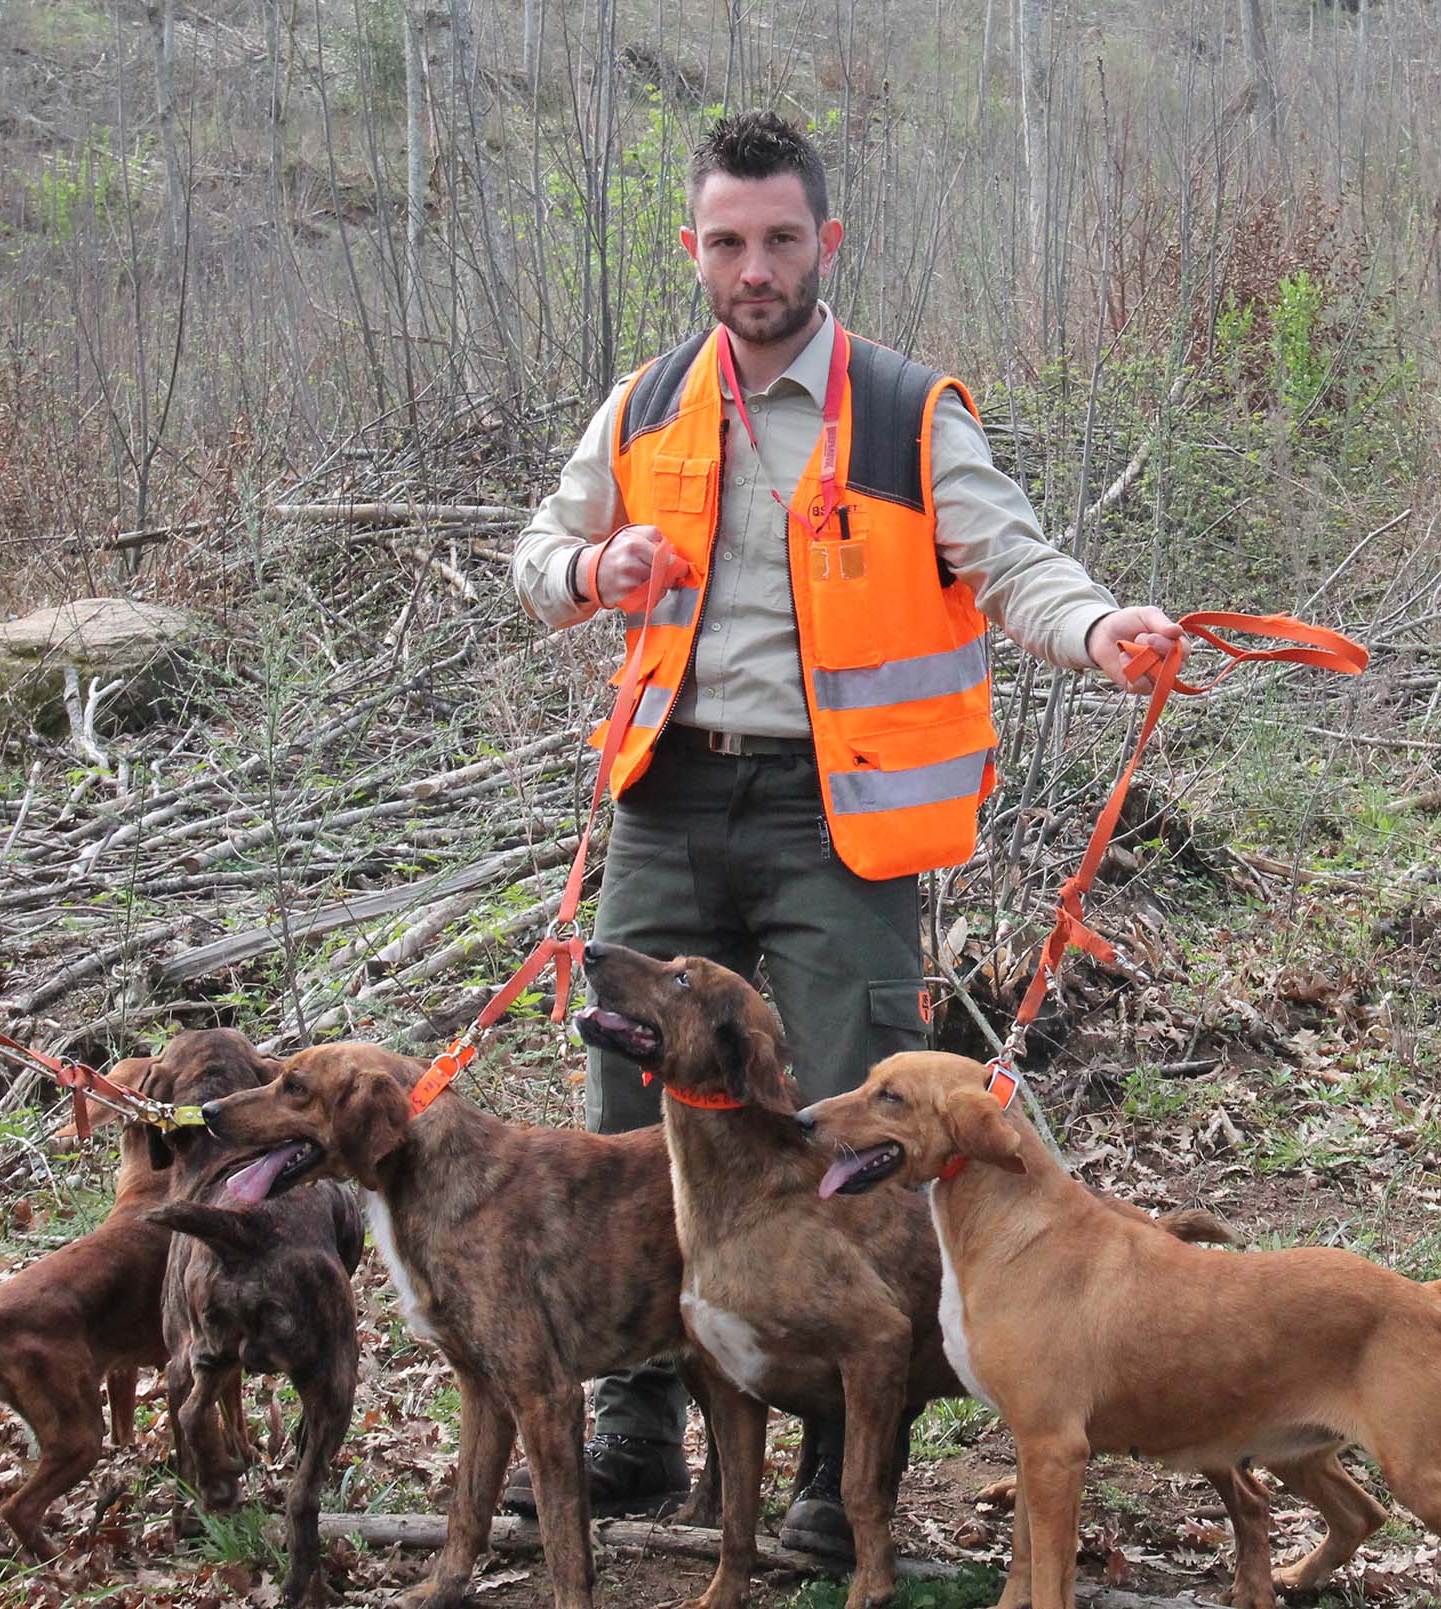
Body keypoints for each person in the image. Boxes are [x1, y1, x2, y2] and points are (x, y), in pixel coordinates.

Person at [508, 110, 1180, 1548]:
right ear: (691, 247)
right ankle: (638, 1411)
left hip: (843, 816)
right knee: (638, 1108)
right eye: (729, 242)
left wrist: (1101, 626)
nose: (755, 269)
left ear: (827, 243)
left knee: (842, 1129)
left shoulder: (907, 409)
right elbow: (534, 561)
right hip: (671, 797)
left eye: (782, 240)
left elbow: (1012, 560)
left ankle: (835, 1462)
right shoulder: (644, 405)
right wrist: (590, 562)